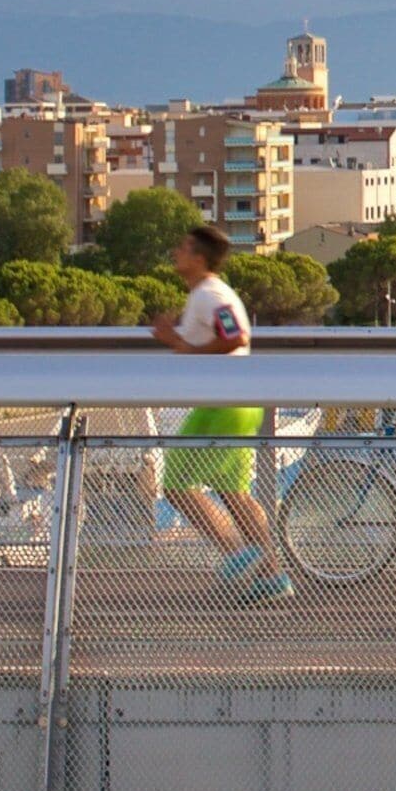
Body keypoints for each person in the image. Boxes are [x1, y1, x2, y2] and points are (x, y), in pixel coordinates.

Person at [149, 224, 291, 603]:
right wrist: (178, 340)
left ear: (199, 258)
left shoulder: (209, 293)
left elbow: (236, 337)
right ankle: (272, 575)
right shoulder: (207, 293)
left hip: (220, 403)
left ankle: (237, 553)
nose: (175, 253)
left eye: (182, 247)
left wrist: (177, 343)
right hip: (242, 401)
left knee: (177, 486)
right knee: (236, 493)